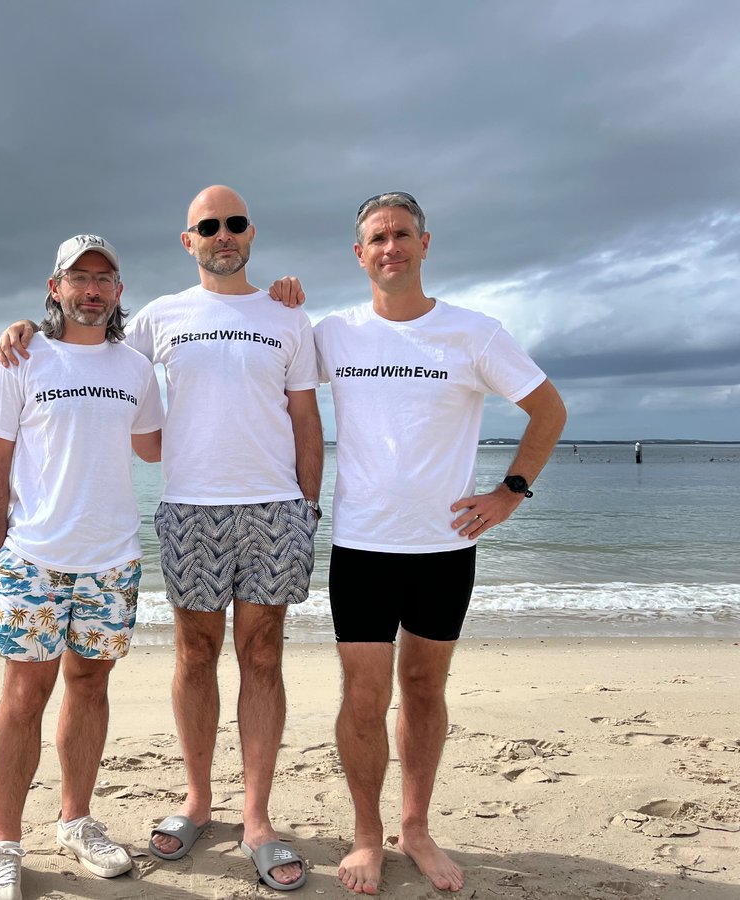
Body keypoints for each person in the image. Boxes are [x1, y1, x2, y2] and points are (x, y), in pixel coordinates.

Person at [0, 186, 323, 891]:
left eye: (234, 223)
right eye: (209, 225)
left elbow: (305, 417)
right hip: (188, 509)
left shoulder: (288, 312)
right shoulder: (157, 318)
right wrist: (24, 324)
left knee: (263, 656)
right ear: (189, 240)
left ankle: (259, 818)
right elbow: (86, 347)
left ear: (251, 233)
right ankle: (199, 802)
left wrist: (310, 506)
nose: (223, 234)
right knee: (195, 654)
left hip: (273, 507)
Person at [312, 192, 567, 894]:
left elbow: (548, 408)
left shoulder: (473, 334)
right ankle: (368, 836)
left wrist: (510, 492)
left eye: (401, 235)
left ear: (426, 244)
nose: (389, 247)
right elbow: (269, 372)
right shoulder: (333, 332)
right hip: (362, 546)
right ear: (358, 254)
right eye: (376, 238)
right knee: (363, 696)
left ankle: (415, 827)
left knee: (424, 687)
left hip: (445, 547)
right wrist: (277, 302)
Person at [0, 234, 163, 900]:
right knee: (23, 698)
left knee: (90, 688)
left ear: (117, 292)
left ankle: (76, 821)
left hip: (113, 561)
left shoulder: (136, 369)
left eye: (104, 278)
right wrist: (1, 553)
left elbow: (154, 447)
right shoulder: (23, 357)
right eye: (78, 277)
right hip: (36, 561)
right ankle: (4, 842)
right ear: (55, 288)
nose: (92, 288)